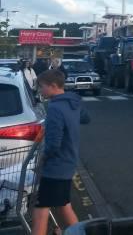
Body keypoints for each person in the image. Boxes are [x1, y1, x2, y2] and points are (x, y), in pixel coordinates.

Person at [32, 69, 90, 235]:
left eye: (41, 87)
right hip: (68, 162)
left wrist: (43, 157)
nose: (40, 91)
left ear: (53, 86)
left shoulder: (55, 108)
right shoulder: (74, 101)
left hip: (55, 166)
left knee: (41, 209)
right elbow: (86, 118)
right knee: (63, 204)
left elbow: (53, 144)